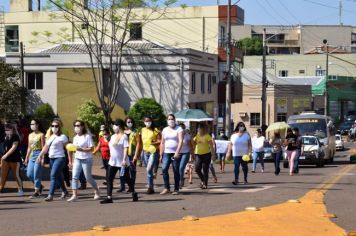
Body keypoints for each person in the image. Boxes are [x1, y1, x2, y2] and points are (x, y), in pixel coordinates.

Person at [100, 119, 138, 204]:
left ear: (119, 126)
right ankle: (109, 197)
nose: (114, 127)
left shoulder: (124, 136)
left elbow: (125, 148)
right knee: (109, 178)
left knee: (126, 179)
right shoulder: (113, 136)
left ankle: (134, 192)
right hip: (112, 162)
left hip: (122, 163)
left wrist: (124, 160)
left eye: (115, 125)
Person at [67, 120, 100, 202]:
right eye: (75, 125)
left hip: (87, 159)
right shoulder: (75, 138)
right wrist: (71, 161)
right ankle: (74, 195)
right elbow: (74, 150)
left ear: (82, 127)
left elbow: (92, 148)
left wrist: (81, 149)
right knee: (74, 177)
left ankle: (96, 190)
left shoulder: (87, 136)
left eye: (78, 125)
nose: (76, 127)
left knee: (88, 177)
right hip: (77, 159)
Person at [38, 119, 69, 201]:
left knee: (53, 175)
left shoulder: (63, 137)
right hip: (51, 159)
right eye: (52, 126)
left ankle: (50, 195)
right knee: (58, 176)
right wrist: (40, 156)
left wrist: (71, 159)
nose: (54, 127)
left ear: (59, 127)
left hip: (60, 158)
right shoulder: (51, 136)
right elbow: (45, 148)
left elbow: (68, 148)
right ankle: (65, 191)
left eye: (56, 126)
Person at [160, 114, 184, 195]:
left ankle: (176, 189)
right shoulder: (164, 130)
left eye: (172, 119)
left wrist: (177, 152)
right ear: (167, 121)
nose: (171, 120)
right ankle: (167, 188)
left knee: (175, 170)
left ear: (175, 120)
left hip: (175, 153)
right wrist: (161, 153)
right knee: (164, 169)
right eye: (169, 119)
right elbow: (162, 142)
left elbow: (181, 141)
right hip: (166, 152)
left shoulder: (179, 129)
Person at [0, 123, 24, 196]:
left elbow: (14, 147)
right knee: (2, 175)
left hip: (15, 159)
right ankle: (0, 188)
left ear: (12, 129)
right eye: (5, 130)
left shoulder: (15, 137)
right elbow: (5, 148)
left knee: (16, 175)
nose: (6, 131)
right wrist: (3, 156)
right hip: (5, 160)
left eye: (8, 130)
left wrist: (6, 155)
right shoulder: (6, 137)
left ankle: (20, 189)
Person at [24, 119, 45, 198]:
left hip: (39, 154)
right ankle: (40, 186)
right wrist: (26, 158)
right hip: (32, 155)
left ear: (37, 125)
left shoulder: (41, 135)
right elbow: (29, 147)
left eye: (33, 124)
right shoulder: (30, 135)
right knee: (29, 174)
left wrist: (42, 158)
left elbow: (43, 147)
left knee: (37, 174)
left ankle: (36, 192)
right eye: (31, 124)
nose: (32, 125)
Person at [140, 116, 161, 194]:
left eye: (149, 121)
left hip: (153, 151)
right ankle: (150, 187)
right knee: (148, 170)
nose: (147, 122)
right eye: (146, 121)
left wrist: (154, 142)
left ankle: (150, 185)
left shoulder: (155, 130)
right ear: (144, 122)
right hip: (145, 152)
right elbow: (141, 142)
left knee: (149, 169)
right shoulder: (142, 130)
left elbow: (160, 140)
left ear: (151, 121)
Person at [192, 123, 216, 189]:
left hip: (206, 154)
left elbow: (211, 146)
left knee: (205, 169)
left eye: (200, 128)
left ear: (204, 129)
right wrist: (192, 154)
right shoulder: (196, 136)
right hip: (198, 154)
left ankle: (205, 184)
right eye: (198, 128)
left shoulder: (207, 136)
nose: (198, 129)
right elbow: (193, 144)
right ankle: (203, 180)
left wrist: (213, 155)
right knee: (197, 169)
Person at [123, 117, 141, 193]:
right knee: (125, 172)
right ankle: (130, 185)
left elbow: (138, 144)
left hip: (132, 153)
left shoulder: (135, 131)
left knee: (132, 171)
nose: (129, 123)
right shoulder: (123, 132)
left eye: (131, 121)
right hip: (124, 154)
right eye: (128, 122)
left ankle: (132, 187)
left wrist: (136, 155)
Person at [178, 123, 193, 188]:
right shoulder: (176, 135)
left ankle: (181, 180)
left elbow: (190, 146)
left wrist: (192, 154)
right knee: (176, 168)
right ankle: (180, 179)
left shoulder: (187, 136)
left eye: (182, 128)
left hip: (185, 153)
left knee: (181, 167)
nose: (181, 130)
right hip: (177, 153)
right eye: (180, 128)